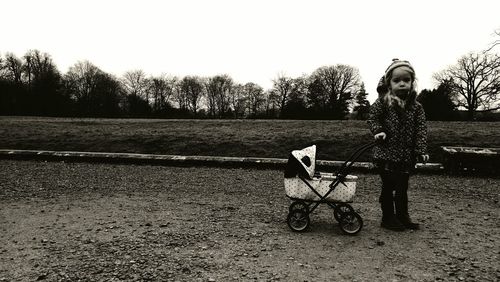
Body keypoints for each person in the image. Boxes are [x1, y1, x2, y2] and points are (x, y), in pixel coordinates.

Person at [368, 59, 429, 231]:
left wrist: (421, 150)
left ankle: (403, 215)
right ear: (389, 83)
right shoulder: (383, 103)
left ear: (412, 82)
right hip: (386, 153)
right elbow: (372, 118)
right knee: (388, 186)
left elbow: (421, 129)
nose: (402, 84)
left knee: (402, 187)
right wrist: (378, 130)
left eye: (406, 80)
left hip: (406, 156)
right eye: (397, 80)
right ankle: (388, 217)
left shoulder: (417, 107)